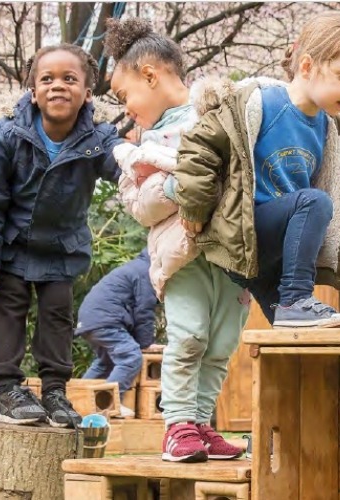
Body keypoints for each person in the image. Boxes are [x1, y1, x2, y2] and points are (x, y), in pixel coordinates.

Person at [171, 11, 340, 329]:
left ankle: (295, 311)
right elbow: (199, 146)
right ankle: (296, 299)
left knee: (297, 337)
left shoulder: (329, 128)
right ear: (307, 66)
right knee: (315, 201)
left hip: (273, 253)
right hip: (244, 231)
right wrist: (196, 207)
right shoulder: (260, 102)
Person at [106, 17, 251, 463]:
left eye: (124, 95)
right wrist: (179, 189)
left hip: (231, 255)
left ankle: (202, 424)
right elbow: (139, 204)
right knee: (188, 337)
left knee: (223, 343)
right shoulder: (142, 145)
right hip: (183, 258)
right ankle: (178, 426)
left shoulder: (220, 113)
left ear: (150, 75)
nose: (126, 108)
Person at [0, 43, 122, 429]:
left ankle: (55, 390)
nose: (58, 86)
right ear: (33, 91)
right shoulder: (8, 133)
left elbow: (123, 164)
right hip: (11, 246)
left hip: (60, 249)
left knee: (57, 313)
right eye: (47, 79)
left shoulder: (98, 138)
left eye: (70, 79)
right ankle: (4, 388)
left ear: (88, 93)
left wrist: (149, 161)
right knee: (10, 307)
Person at [75, 249, 160, 418]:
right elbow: (143, 311)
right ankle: (110, 404)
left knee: (106, 363)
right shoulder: (147, 272)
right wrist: (146, 344)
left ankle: (77, 402)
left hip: (91, 320)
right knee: (131, 357)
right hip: (106, 320)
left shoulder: (137, 267)